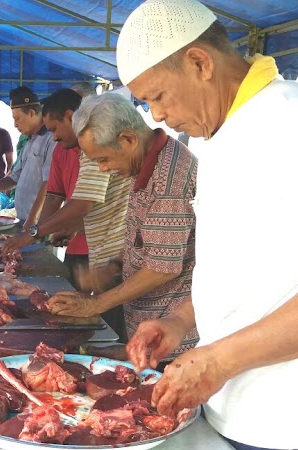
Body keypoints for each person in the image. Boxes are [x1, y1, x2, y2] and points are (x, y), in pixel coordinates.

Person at [116, 1, 298, 449]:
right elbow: (247, 266)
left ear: (199, 62)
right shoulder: (225, 132)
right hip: (238, 414)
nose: (154, 115)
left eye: (157, 96)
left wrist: (216, 362)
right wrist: (178, 322)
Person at [47, 93, 198, 362]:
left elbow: (162, 267)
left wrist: (96, 303)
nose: (103, 169)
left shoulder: (168, 183)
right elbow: (150, 243)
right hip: (147, 330)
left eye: (103, 159)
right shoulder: (146, 165)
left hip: (170, 345)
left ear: (128, 139)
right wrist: (115, 266)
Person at [0, 89, 90, 289]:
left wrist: (34, 231)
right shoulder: (60, 149)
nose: (54, 137)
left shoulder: (94, 150)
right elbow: (54, 196)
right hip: (76, 247)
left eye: (56, 129)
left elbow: (81, 204)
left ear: (70, 116)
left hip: (106, 250)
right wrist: (40, 233)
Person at [0, 86, 55, 225]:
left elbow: (48, 184)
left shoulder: (51, 139)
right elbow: (14, 178)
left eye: (18, 118)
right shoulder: (29, 142)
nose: (15, 124)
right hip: (23, 221)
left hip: (39, 225)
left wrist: (31, 223)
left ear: (32, 113)